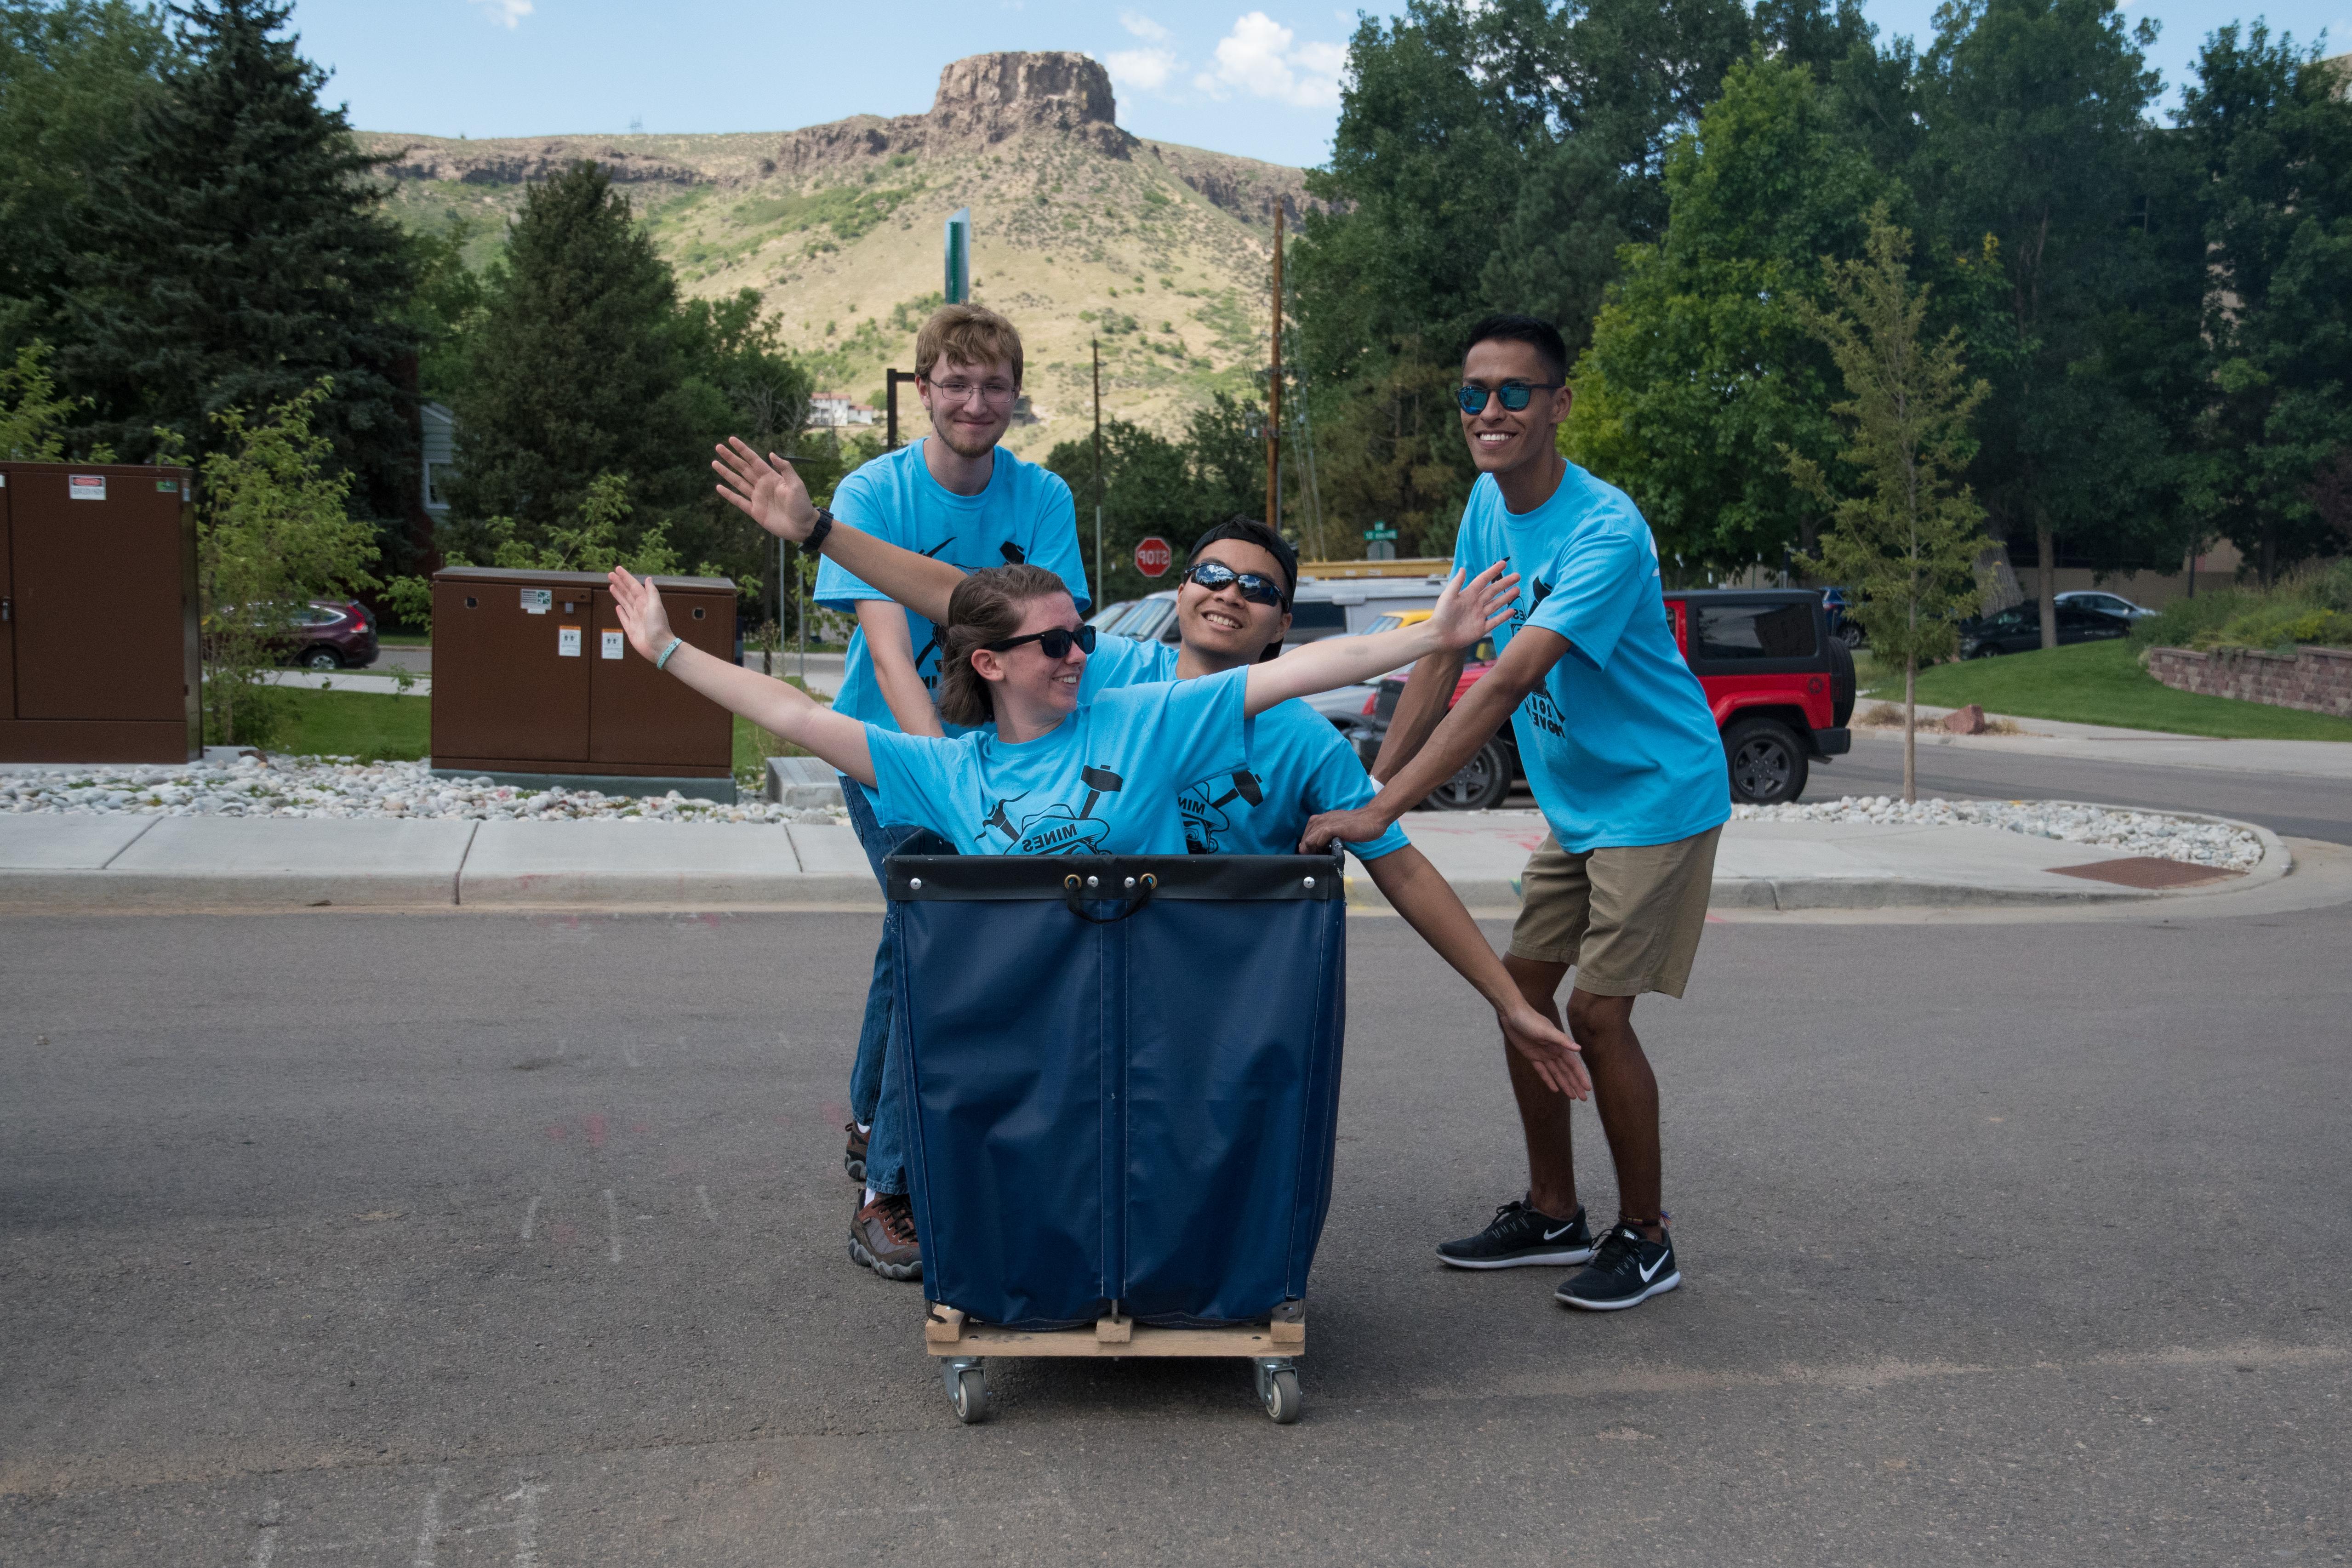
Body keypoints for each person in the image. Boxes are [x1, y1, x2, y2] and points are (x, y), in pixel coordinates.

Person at [714, 439, 1591, 1144]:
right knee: (939, 956)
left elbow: (1402, 871)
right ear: (1180, 588)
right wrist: (818, 530)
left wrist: (1509, 1004)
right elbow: (971, 603)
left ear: (1284, 622)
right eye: (1211, 573)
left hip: (1205, 986)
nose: (1228, 594)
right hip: (1071, 967)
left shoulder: (1299, 742)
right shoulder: (1104, 673)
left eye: (1258, 589)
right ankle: (900, 1183)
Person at [1301, 314, 1731, 1313]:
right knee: (1519, 994)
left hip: (1657, 794)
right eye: (1471, 394)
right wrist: (1370, 787)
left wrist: (1383, 811)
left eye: (1512, 393)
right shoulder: (1486, 507)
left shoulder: (1603, 528)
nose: (1488, 411)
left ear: (1557, 403)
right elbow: (1447, 651)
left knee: (1593, 1013)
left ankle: (1646, 1235)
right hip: (1580, 803)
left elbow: (1502, 683)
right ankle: (1551, 1210)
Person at [810, 305, 1088, 1273]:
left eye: (995, 384)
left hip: (992, 754)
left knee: (912, 930)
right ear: (921, 387)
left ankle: (866, 1117)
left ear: (1015, 394)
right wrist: (947, 793)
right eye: (955, 382)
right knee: (936, 934)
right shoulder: (871, 492)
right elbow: (891, 658)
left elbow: (1052, 640)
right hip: (891, 751)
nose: (976, 402)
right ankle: (886, 1193)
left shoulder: (1041, 495)